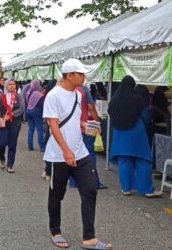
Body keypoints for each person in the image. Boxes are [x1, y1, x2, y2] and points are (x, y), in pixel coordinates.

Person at [43, 58, 112, 249]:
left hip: (80, 151)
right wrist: (65, 150)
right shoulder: (53, 96)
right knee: (57, 194)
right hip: (59, 154)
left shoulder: (79, 95)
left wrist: (86, 125)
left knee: (90, 191)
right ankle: (55, 231)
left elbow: (72, 119)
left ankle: (89, 238)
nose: (84, 77)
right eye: (81, 74)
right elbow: (53, 124)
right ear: (70, 75)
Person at [108, 75, 163, 198]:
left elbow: (110, 113)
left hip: (119, 133)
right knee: (142, 160)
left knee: (124, 160)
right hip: (136, 131)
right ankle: (147, 190)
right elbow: (145, 116)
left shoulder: (114, 100)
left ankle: (126, 189)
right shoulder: (137, 99)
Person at [69, 84, 107, 189]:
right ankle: (94, 182)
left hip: (69, 128)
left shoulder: (65, 88)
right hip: (84, 128)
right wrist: (97, 122)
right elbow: (91, 107)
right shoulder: (84, 89)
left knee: (73, 154)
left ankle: (73, 181)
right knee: (89, 155)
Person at [0, 79, 25, 173]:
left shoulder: (18, 96)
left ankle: (10, 165)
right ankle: (2, 158)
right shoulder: (1, 97)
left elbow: (22, 108)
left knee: (12, 144)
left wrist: (11, 115)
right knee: (1, 144)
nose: (12, 86)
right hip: (3, 123)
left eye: (14, 84)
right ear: (6, 86)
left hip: (15, 123)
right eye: (10, 84)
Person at [42, 79, 57, 180]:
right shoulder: (54, 96)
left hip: (49, 125)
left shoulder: (47, 95)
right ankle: (48, 171)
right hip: (54, 126)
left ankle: (47, 171)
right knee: (53, 149)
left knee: (49, 148)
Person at [25, 79, 46, 151]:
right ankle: (42, 147)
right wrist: (43, 116)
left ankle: (30, 146)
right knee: (39, 130)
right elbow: (41, 106)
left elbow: (26, 102)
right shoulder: (39, 94)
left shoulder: (28, 92)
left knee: (31, 129)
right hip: (36, 112)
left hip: (28, 111)